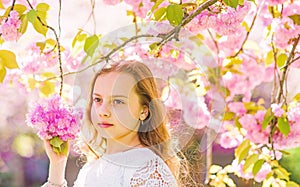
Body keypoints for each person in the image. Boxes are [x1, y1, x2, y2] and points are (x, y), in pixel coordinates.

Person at [42, 61, 192, 187]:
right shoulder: (92, 167)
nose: (103, 111)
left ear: (143, 111)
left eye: (118, 101)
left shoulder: (146, 169)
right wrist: (57, 165)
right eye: (98, 100)